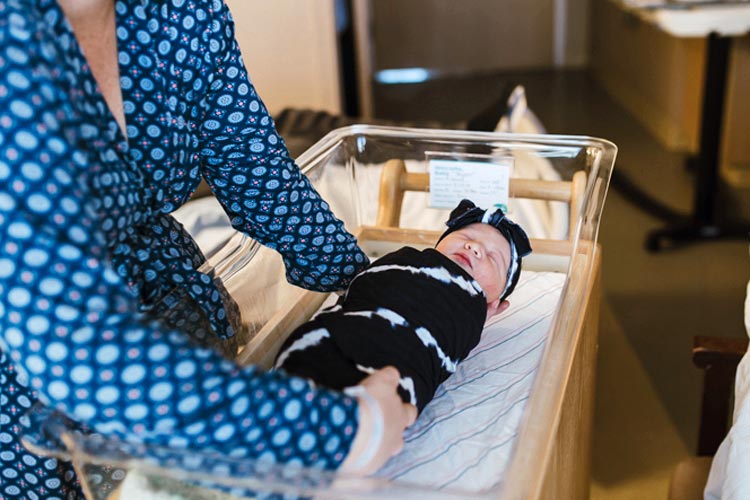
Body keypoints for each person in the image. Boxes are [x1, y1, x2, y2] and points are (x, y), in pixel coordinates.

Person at [0, 1, 416, 498]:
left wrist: (375, 291)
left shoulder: (178, 11)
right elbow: (75, 344)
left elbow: (256, 171)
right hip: (32, 378)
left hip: (169, 318)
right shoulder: (14, 37)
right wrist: (342, 434)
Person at [275, 200, 533, 413]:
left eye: (492, 257)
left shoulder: (470, 311)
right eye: (465, 236)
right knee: (306, 363)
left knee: (375, 401)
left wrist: (478, 315)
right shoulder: (406, 260)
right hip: (341, 330)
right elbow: (363, 286)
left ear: (495, 303)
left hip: (397, 365)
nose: (474, 247)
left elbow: (451, 339)